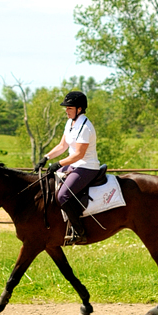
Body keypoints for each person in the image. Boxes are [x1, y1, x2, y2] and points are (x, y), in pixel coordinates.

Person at [44, 90, 101, 242]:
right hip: (74, 165)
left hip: (87, 167)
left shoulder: (85, 127)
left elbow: (79, 155)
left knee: (63, 195)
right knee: (47, 181)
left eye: (69, 108)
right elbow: (62, 145)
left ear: (79, 109)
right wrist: (46, 157)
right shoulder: (70, 123)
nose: (66, 111)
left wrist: (58, 163)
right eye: (66, 108)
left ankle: (79, 231)